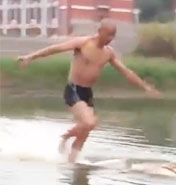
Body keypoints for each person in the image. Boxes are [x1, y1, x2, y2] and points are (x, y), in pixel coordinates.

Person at [17, 20, 162, 163]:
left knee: (84, 133)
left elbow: (126, 72)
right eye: (108, 35)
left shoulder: (108, 53)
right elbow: (55, 49)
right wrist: (31, 56)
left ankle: (72, 163)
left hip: (87, 92)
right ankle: (65, 137)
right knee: (89, 123)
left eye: (113, 35)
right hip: (73, 89)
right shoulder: (83, 43)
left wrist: (145, 87)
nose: (110, 39)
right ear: (99, 32)